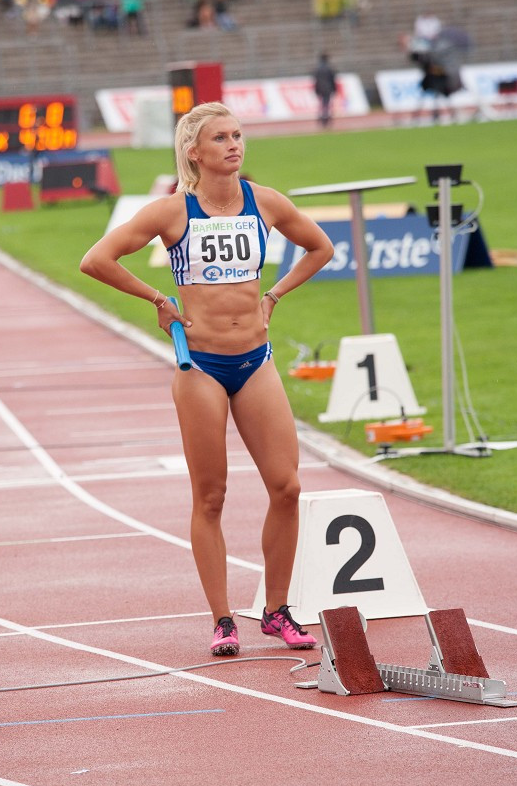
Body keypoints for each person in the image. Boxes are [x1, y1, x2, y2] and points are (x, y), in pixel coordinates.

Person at [80, 102, 334, 657]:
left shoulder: (264, 202)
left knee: (287, 487)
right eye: (220, 138)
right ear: (195, 151)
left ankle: (277, 610)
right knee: (211, 496)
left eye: (238, 135)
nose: (234, 145)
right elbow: (96, 259)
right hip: (201, 367)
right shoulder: (173, 212)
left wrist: (273, 294)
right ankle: (223, 619)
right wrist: (156, 299)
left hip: (255, 360)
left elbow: (321, 247)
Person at [312, 52, 338, 126]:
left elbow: (316, 80)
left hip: (320, 88)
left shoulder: (317, 69)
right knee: (327, 104)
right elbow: (332, 80)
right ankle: (326, 118)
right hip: (328, 88)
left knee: (321, 104)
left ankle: (321, 117)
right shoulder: (329, 68)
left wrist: (316, 89)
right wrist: (334, 89)